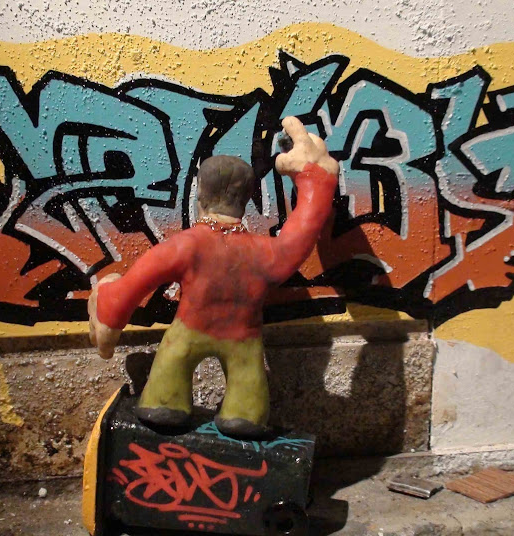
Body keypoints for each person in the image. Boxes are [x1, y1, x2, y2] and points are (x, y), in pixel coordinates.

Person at [88, 116, 339, 437]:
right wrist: (316, 181)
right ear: (246, 200)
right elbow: (301, 235)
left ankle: (166, 405)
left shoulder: (187, 244)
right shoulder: (264, 252)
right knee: (247, 387)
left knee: (171, 368)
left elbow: (138, 280)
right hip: (244, 340)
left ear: (200, 196)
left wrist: (108, 306)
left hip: (187, 333)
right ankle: (244, 415)